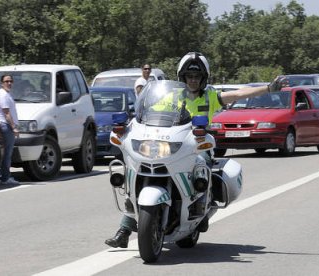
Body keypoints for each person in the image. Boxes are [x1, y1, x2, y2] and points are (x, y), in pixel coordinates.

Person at [105, 52, 285, 248]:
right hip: (169, 144)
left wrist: (268, 88)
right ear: (182, 77)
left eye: (196, 76)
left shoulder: (211, 96)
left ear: (203, 78)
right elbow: (150, 109)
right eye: (189, 76)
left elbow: (239, 94)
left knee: (202, 166)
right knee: (135, 173)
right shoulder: (172, 95)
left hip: (196, 146)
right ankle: (124, 230)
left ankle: (202, 206)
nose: (192, 80)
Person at [0, 74, 20, 185]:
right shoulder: (3, 95)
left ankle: (3, 175)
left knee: (6, 152)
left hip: (7, 125)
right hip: (6, 126)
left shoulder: (6, 94)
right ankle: (5, 178)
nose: (9, 83)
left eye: (10, 81)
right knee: (7, 153)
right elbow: (7, 113)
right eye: (6, 81)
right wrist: (14, 127)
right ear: (1, 83)